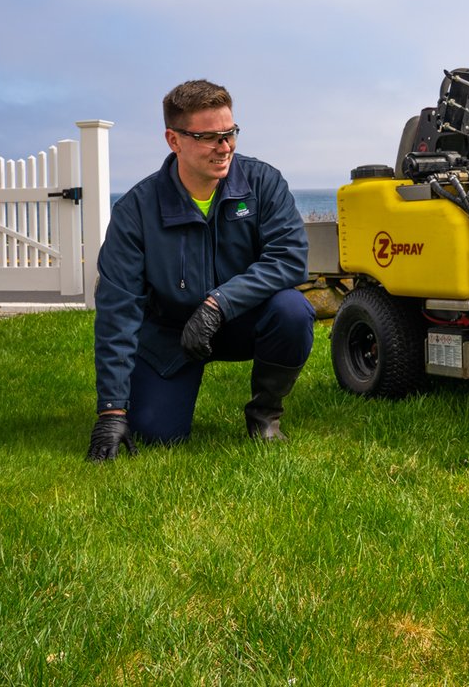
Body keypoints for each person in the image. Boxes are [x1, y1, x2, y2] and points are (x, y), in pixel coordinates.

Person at [86, 79, 315, 461]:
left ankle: (264, 413)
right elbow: (118, 310)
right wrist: (111, 410)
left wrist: (218, 304)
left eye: (230, 133)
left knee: (292, 311)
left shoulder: (263, 183)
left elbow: (289, 258)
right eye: (208, 137)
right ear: (173, 140)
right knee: (159, 435)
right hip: (172, 334)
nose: (224, 148)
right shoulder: (135, 211)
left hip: (242, 319)